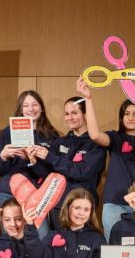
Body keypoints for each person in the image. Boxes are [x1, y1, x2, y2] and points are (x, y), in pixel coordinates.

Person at [76, 79, 135, 241]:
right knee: (113, 248)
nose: (131, 118)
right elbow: (95, 135)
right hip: (114, 203)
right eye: (126, 114)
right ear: (121, 117)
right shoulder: (115, 137)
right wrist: (88, 99)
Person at [28, 96, 106, 229]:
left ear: (85, 115)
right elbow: (48, 176)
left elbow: (82, 172)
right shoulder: (60, 142)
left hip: (83, 206)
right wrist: (34, 161)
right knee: (58, 242)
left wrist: (51, 157)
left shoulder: (95, 144)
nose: (70, 117)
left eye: (74, 113)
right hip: (58, 207)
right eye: (67, 114)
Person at [0, 90, 59, 237]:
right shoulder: (7, 132)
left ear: (41, 108)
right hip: (8, 192)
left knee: (41, 236)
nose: (31, 109)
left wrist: (32, 161)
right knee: (11, 239)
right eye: (26, 105)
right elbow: (0, 171)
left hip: (36, 194)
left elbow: (50, 174)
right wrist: (3, 156)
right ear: (20, 109)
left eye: (34, 104)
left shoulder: (51, 135)